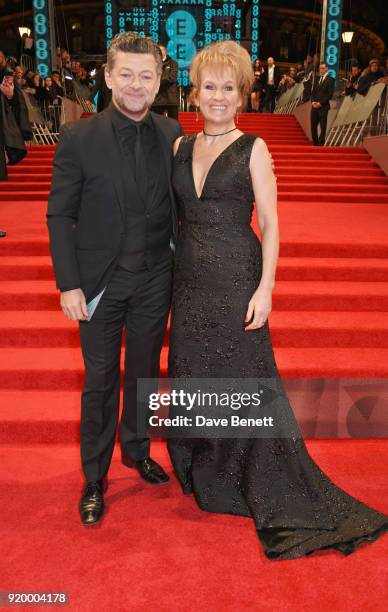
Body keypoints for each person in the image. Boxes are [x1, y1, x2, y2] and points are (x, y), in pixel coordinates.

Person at [167, 40, 388, 560]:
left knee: (247, 379)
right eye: (209, 87)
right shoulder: (178, 147)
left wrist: (266, 288)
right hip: (189, 281)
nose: (217, 97)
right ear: (195, 92)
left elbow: (269, 223)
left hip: (237, 277)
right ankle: (213, 475)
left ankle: (257, 475)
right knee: (194, 374)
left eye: (228, 88)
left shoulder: (254, 148)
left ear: (242, 94)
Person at [47, 32, 183, 526]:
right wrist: (68, 283)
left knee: (144, 373)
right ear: (107, 77)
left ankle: (136, 449)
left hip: (154, 278)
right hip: (99, 284)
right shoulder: (78, 137)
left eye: (145, 76)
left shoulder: (172, 134)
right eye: (125, 74)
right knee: (100, 381)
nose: (135, 84)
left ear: (157, 80)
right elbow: (60, 215)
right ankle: (94, 477)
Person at [310, 62, 335, 146]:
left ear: (327, 69)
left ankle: (321, 144)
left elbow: (329, 94)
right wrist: (313, 102)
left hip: (323, 107)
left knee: (322, 127)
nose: (321, 70)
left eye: (323, 68)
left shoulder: (330, 80)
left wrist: (320, 103)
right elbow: (312, 93)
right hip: (314, 107)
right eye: (320, 68)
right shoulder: (317, 79)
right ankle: (315, 143)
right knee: (313, 126)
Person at [152, 44, 179, 119]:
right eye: (158, 51)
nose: (160, 52)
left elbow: (172, 78)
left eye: (161, 50)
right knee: (157, 122)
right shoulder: (153, 64)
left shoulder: (173, 63)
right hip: (158, 99)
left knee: (173, 123)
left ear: (165, 52)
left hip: (171, 99)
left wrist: (158, 83)